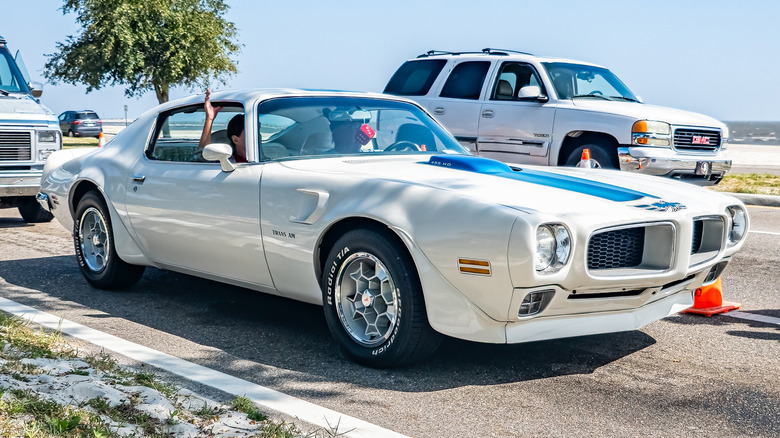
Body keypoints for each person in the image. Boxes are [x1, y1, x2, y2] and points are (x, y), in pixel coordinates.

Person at [198, 89, 247, 162]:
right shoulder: (229, 161)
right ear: (235, 139)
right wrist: (209, 119)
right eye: (250, 131)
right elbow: (204, 156)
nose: (258, 135)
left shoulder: (263, 158)